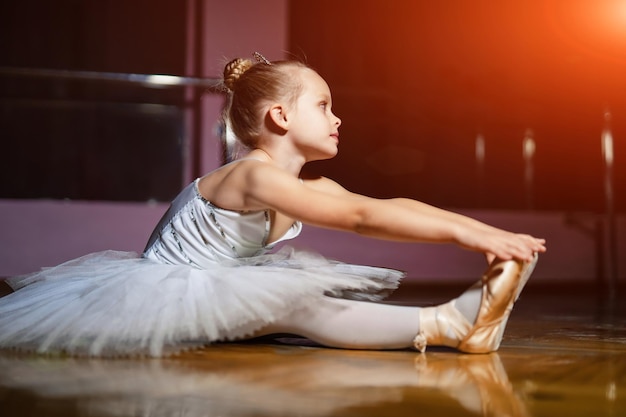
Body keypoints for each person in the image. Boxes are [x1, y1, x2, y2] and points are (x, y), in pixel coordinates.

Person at [0, 53, 546, 357]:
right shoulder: (251, 176)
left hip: (216, 291)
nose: (338, 119)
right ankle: (449, 322)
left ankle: (459, 320)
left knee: (287, 305)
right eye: (325, 105)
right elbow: (361, 220)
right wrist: (472, 240)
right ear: (280, 118)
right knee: (295, 306)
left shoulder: (310, 189)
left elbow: (385, 205)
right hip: (162, 296)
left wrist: (484, 231)